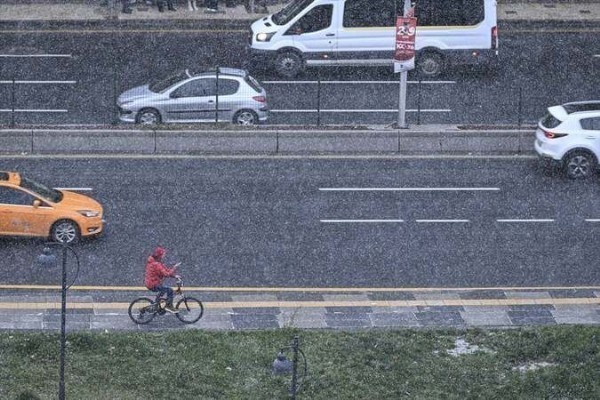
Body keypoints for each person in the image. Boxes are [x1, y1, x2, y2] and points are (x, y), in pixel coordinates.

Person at [144, 247, 180, 313]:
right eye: (163, 254)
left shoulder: (157, 263)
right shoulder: (156, 264)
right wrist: (174, 268)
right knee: (170, 290)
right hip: (153, 284)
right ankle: (169, 306)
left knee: (163, 291)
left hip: (154, 283)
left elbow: (166, 270)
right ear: (159, 255)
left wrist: (174, 276)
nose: (164, 256)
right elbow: (166, 274)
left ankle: (157, 305)